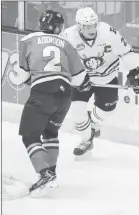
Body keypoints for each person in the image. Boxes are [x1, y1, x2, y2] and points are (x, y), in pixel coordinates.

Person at [18, 10, 91, 197]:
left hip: (42, 93)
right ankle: (51, 173)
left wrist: (31, 77)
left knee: (29, 135)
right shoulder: (67, 43)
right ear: (58, 27)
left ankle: (45, 174)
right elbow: (79, 79)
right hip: (64, 95)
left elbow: (22, 76)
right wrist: (85, 83)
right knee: (50, 132)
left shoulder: (28, 40)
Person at [60, 7, 139, 156]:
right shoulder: (67, 36)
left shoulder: (107, 32)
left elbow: (125, 51)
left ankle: (92, 121)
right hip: (81, 80)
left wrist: (134, 71)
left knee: (107, 110)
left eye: (94, 25)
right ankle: (86, 140)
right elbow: (60, 61)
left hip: (107, 77)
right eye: (87, 26)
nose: (92, 29)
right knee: (77, 114)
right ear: (79, 26)